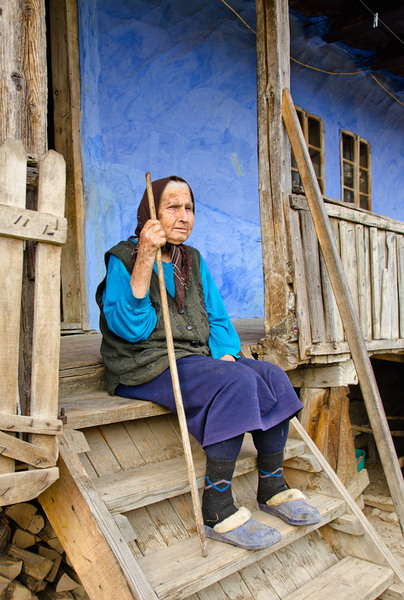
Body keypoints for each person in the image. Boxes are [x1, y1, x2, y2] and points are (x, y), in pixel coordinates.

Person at [96, 175, 321, 550]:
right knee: (235, 383)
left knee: (271, 376)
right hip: (145, 363)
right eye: (172, 207)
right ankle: (217, 508)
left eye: (189, 208)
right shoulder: (125, 258)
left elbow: (216, 318)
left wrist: (228, 357)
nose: (183, 216)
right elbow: (130, 329)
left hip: (194, 359)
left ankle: (272, 487)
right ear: (150, 213)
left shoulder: (192, 259)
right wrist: (146, 257)